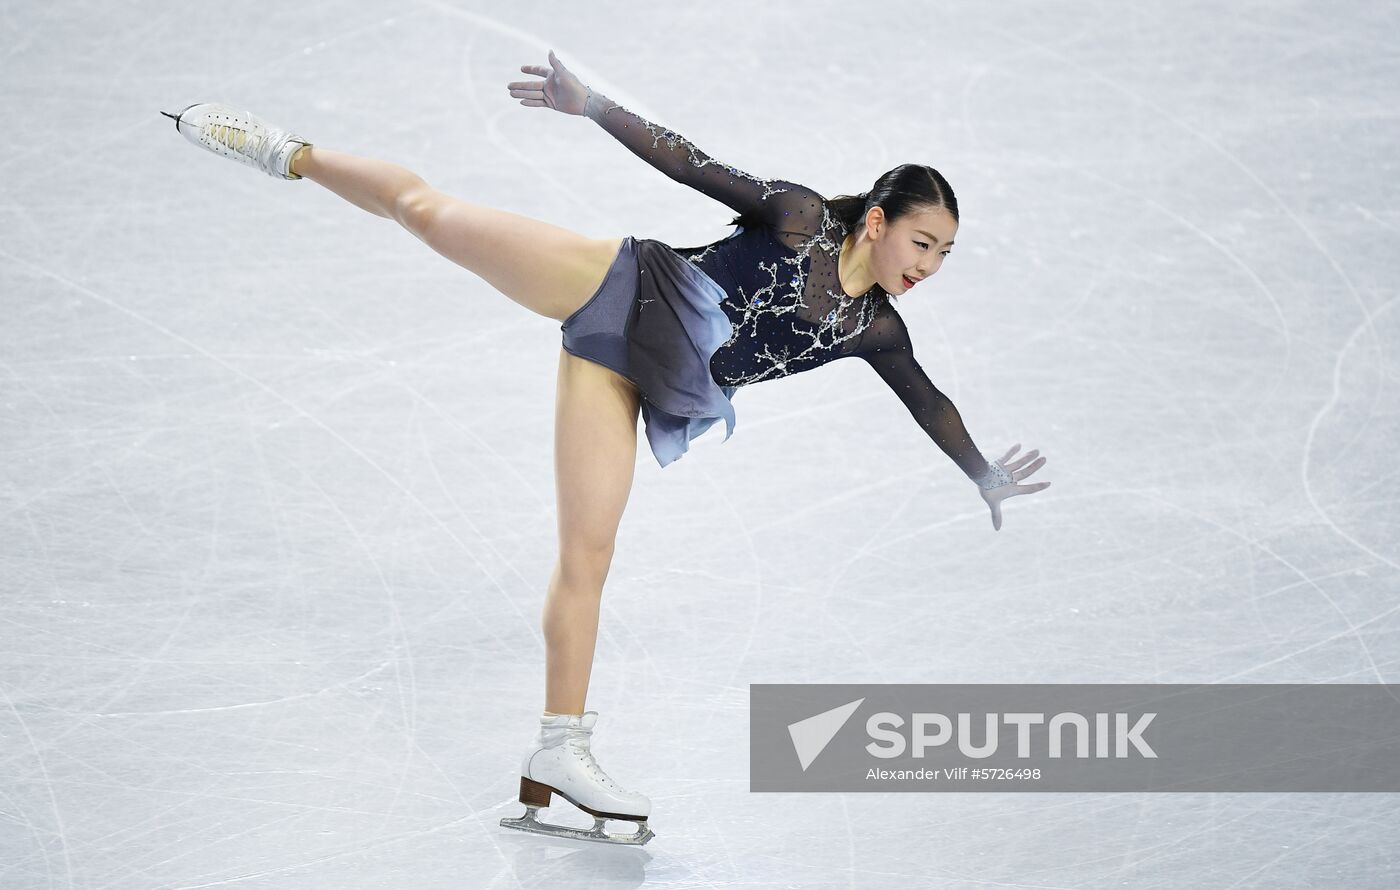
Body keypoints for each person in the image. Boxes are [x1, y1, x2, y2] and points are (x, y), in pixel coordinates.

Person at [160, 50, 1049, 847]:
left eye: (945, 254)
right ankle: (285, 151)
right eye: (922, 242)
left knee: (587, 555)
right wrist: (588, 105)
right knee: (428, 214)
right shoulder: (797, 216)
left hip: (625, 379)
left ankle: (559, 752)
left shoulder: (873, 328)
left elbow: (929, 402)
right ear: (878, 221)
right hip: (621, 288)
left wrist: (983, 477)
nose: (927, 266)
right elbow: (688, 158)